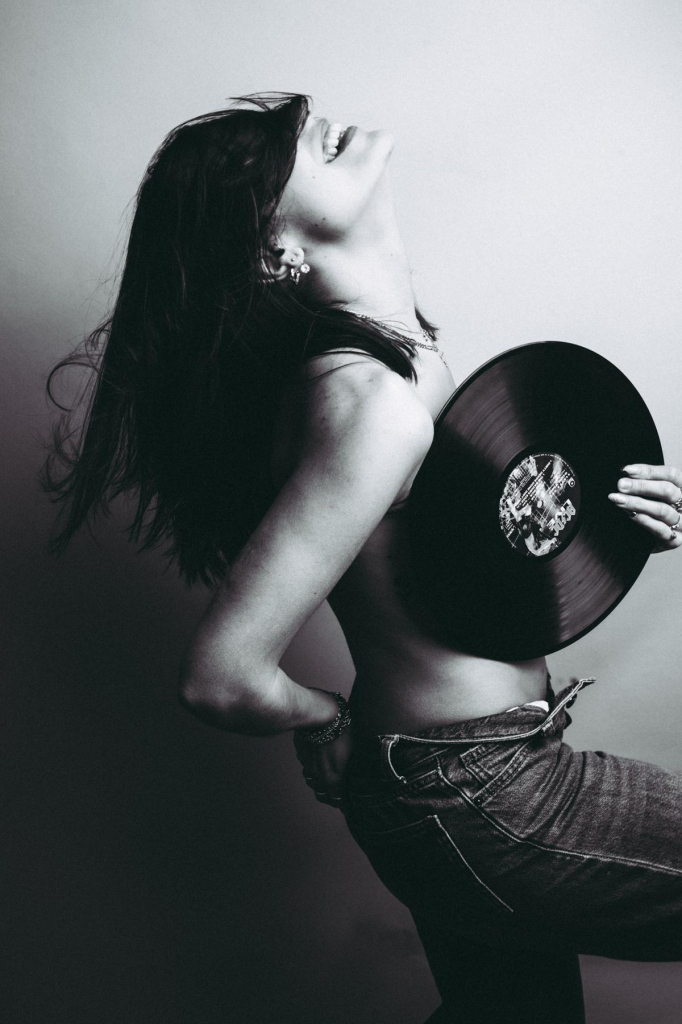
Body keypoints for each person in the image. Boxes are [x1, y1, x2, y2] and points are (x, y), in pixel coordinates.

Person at [42, 93, 682, 1023]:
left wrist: (614, 530)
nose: (307, 122)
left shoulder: (393, 363)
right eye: (274, 152)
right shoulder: (367, 401)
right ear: (273, 254)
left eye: (292, 117)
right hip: (489, 802)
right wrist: (328, 715)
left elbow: (457, 570)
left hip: (472, 792)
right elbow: (220, 678)